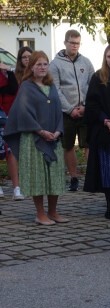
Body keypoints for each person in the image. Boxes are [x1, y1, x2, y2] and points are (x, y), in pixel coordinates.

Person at [4, 51, 67, 225]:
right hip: (34, 140)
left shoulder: (52, 86)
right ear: (31, 67)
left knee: (54, 175)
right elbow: (23, 114)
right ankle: (40, 214)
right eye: (38, 64)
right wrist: (40, 131)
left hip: (53, 139)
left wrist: (58, 131)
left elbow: (58, 111)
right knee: (38, 176)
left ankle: (53, 212)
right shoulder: (26, 87)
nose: (42, 67)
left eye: (45, 64)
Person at [49, 29, 95, 192]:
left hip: (84, 109)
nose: (75, 46)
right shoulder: (55, 64)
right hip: (66, 112)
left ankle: (91, 176)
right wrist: (69, 109)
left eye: (77, 43)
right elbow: (56, 88)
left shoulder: (86, 62)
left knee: (88, 144)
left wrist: (85, 106)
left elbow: (92, 85)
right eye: (72, 43)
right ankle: (74, 177)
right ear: (65, 43)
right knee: (68, 145)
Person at [83, 43, 110, 220]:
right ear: (104, 58)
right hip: (104, 131)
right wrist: (106, 121)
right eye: (109, 56)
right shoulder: (98, 77)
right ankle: (109, 205)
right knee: (108, 171)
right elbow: (92, 105)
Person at [0, 47, 30, 201]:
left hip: (7, 116)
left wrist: (8, 71)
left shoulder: (8, 73)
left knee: (10, 151)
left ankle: (16, 187)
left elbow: (12, 89)